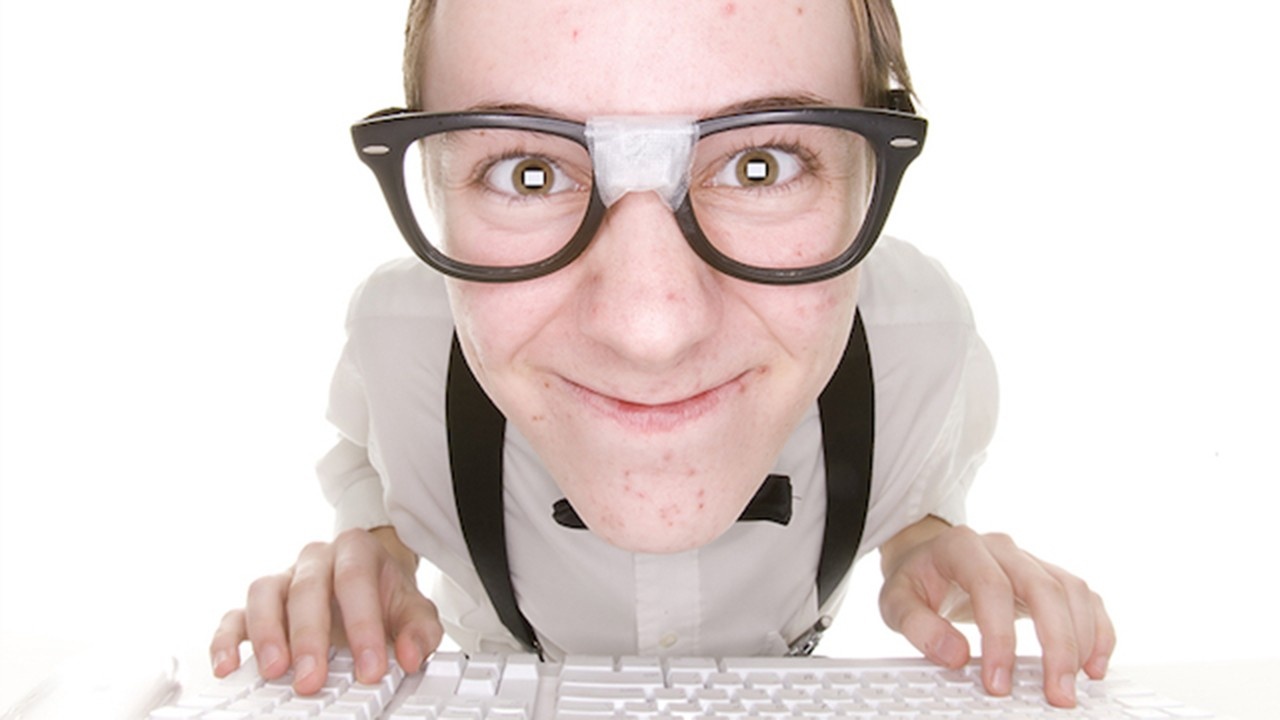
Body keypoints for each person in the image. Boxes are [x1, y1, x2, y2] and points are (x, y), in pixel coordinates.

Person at [209, 0, 1114, 709]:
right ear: (438, 187)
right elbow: (372, 475)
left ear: (867, 177)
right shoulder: (400, 340)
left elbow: (920, 488)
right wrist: (373, 555)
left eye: (762, 163)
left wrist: (924, 542)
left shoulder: (914, 338)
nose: (652, 333)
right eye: (529, 171)